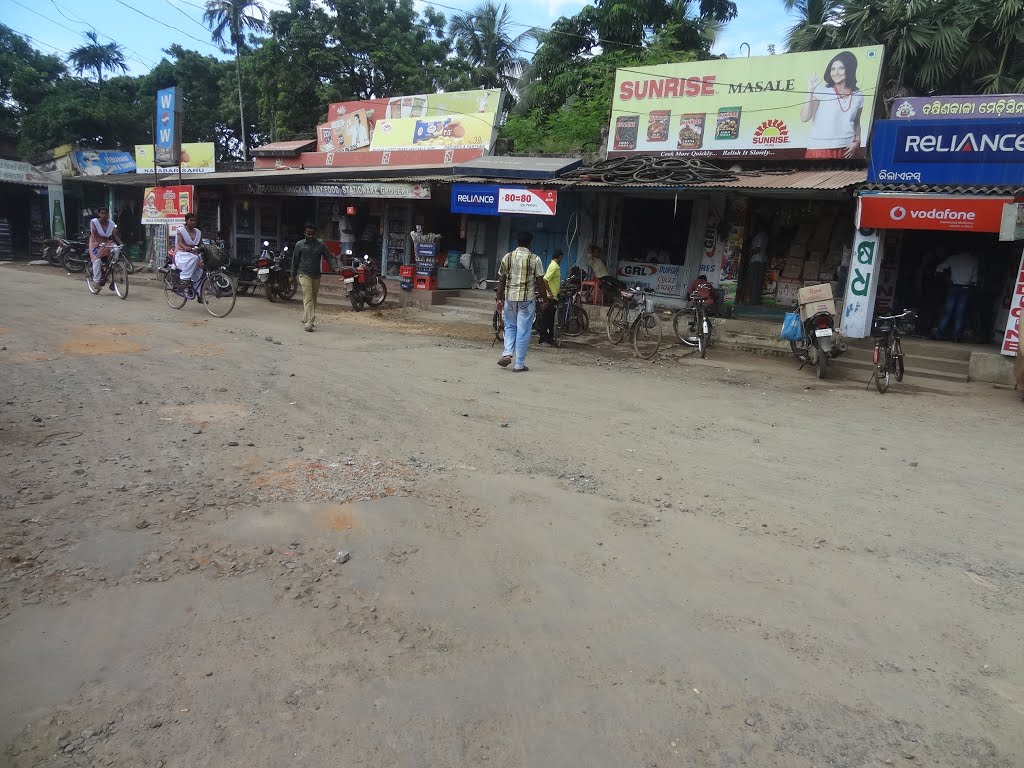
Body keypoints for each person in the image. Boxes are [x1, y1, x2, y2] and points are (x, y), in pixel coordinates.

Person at [496, 232, 548, 372]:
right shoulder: (534, 259)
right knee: (523, 331)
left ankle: (507, 353)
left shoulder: (507, 257)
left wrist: (498, 299)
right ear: (530, 243)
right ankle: (519, 364)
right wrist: (545, 299)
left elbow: (502, 280)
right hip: (526, 300)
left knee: (510, 326)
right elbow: (540, 282)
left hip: (510, 299)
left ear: (517, 242)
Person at [801, 50, 864, 159]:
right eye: (833, 69)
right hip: (819, 149)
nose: (836, 73)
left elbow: (856, 123)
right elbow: (805, 117)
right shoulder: (822, 91)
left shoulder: (858, 95)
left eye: (841, 68)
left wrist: (857, 141)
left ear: (849, 69)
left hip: (846, 150)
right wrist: (810, 91)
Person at [291, 223, 332, 332]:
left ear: (315, 234)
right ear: (305, 233)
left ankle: (305, 317)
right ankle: (309, 322)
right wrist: (292, 275)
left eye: (312, 234)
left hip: (316, 275)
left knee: (313, 298)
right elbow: (294, 261)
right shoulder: (299, 245)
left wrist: (335, 267)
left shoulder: (320, 244)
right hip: (303, 274)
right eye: (308, 234)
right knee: (308, 296)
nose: (310, 236)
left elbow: (328, 256)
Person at [932, 250, 980, 341]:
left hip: (953, 286)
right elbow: (974, 281)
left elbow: (939, 269)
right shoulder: (973, 260)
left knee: (948, 311)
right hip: (965, 288)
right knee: (960, 313)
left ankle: (939, 333)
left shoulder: (954, 258)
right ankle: (957, 336)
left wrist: (947, 279)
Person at [87, 208, 122, 289]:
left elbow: (115, 235)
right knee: (97, 260)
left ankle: (113, 265)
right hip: (94, 242)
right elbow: (93, 233)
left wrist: (121, 244)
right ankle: (96, 281)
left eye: (106, 213)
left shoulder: (111, 223)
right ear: (99, 214)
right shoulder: (94, 222)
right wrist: (96, 243)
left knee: (117, 249)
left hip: (106, 242)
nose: (104, 215)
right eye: (102, 213)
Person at [173, 213, 203, 293]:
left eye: (194, 221)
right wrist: (186, 248)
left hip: (193, 253)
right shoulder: (181, 230)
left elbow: (200, 244)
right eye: (191, 221)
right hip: (182, 253)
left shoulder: (198, 232)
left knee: (199, 272)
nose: (193, 222)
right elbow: (181, 242)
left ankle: (200, 294)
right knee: (194, 258)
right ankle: (184, 279)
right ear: (186, 221)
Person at [538, 250, 563, 345]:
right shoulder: (554, 266)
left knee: (551, 319)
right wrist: (550, 293)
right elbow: (545, 279)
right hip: (550, 297)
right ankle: (543, 339)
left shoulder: (554, 266)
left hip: (553, 297)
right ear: (560, 257)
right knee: (546, 319)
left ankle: (549, 339)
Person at [745, 223, 769, 305]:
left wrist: (747, 252)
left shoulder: (760, 236)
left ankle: (752, 301)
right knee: (757, 282)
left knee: (754, 281)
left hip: (757, 261)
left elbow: (758, 249)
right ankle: (755, 300)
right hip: (760, 261)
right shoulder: (764, 235)